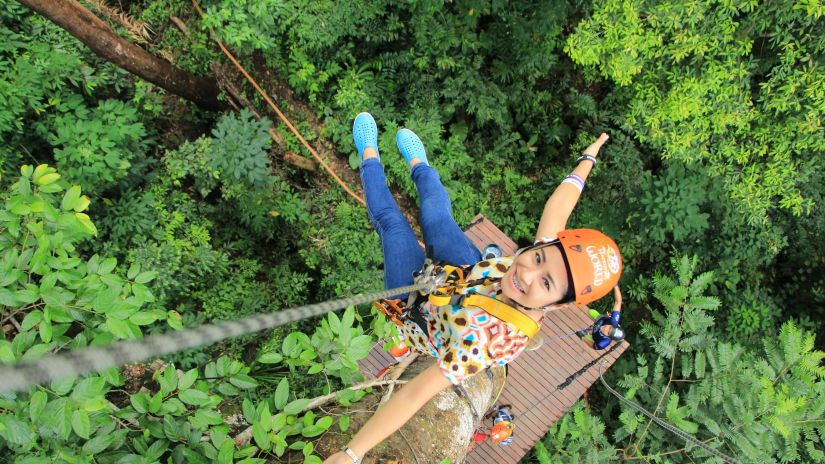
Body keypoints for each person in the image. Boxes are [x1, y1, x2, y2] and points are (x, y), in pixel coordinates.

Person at [324, 113, 622, 464]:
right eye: (538, 258)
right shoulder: (542, 259)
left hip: (419, 305)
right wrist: (589, 158)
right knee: (436, 213)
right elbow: (561, 204)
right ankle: (419, 163)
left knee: (392, 224)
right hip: (466, 271)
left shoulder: (485, 342)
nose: (527, 273)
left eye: (546, 282)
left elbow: (415, 395)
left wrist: (352, 452)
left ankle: (369, 154)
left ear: (557, 305)